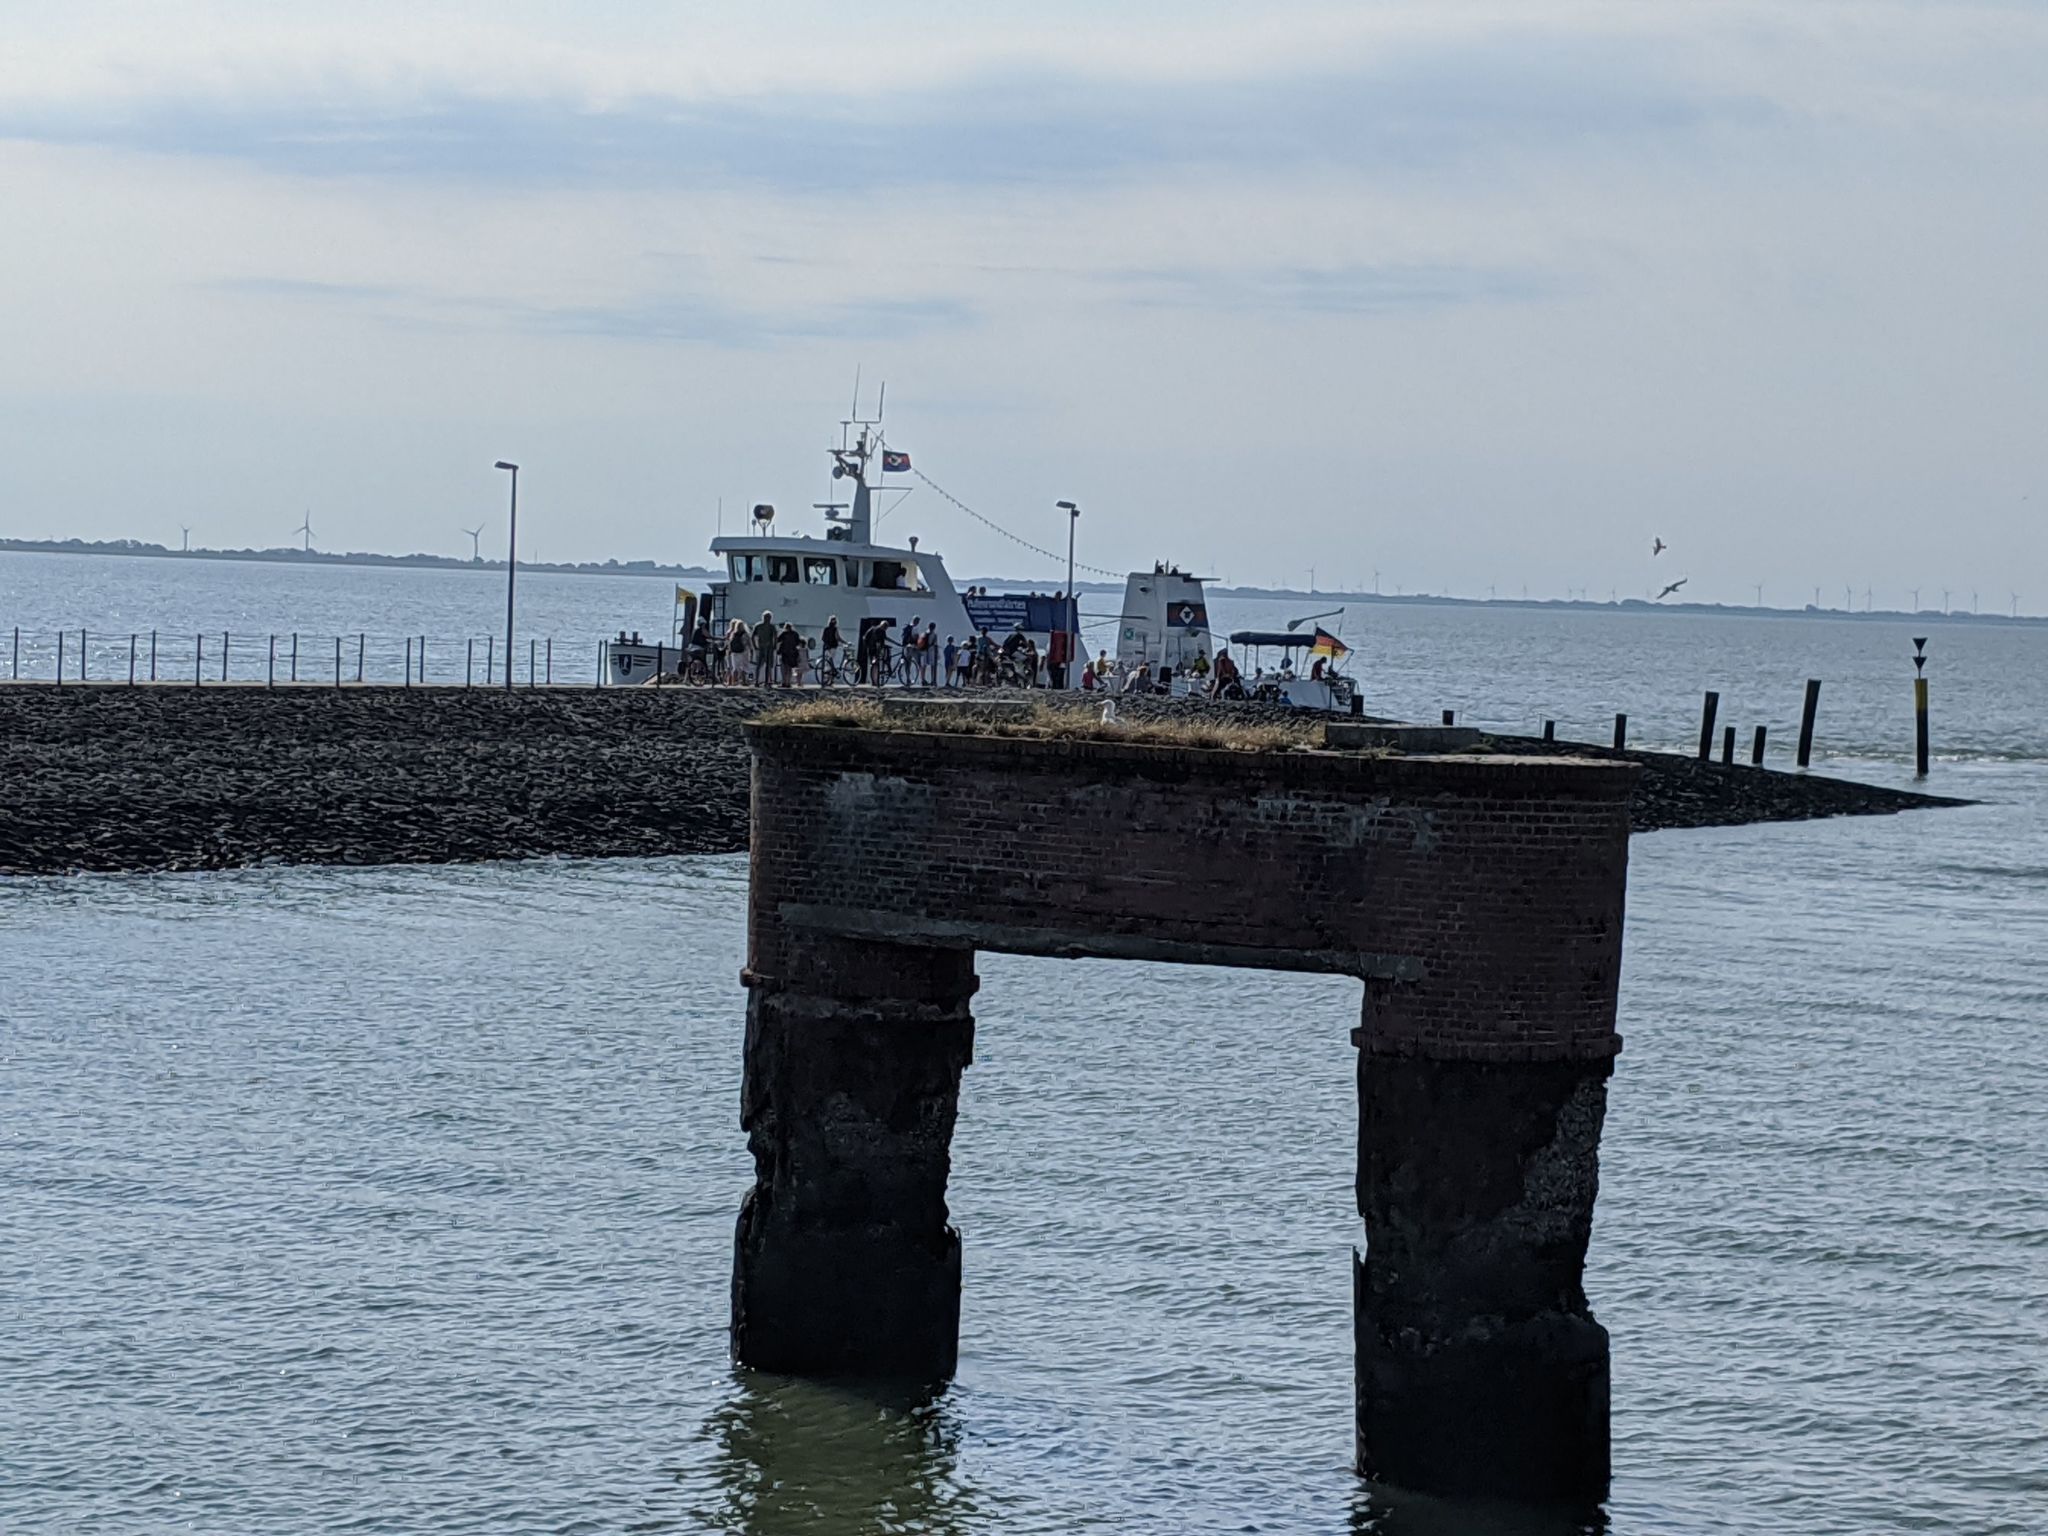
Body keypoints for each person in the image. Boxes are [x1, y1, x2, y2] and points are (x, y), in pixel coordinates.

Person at [775, 622, 805, 687]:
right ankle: (788, 682)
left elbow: (777, 640)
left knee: (784, 669)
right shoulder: (795, 634)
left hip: (784, 653)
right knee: (789, 669)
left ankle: (784, 682)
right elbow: (798, 643)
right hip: (792, 654)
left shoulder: (784, 634)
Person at [751, 610, 776, 687]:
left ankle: (766, 681)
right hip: (761, 647)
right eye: (766, 617)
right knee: (758, 665)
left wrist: (774, 646)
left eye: (769, 617)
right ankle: (756, 681)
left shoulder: (772, 627)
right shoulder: (758, 626)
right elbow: (752, 636)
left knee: (768, 665)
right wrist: (755, 646)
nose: (767, 619)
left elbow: (775, 636)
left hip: (769, 648)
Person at [725, 617, 750, 685]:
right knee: (744, 667)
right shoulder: (745, 634)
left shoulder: (733, 633)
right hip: (743, 651)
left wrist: (730, 650)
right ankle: (743, 681)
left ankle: (733, 681)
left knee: (734, 667)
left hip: (734, 652)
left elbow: (729, 642)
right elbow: (748, 643)